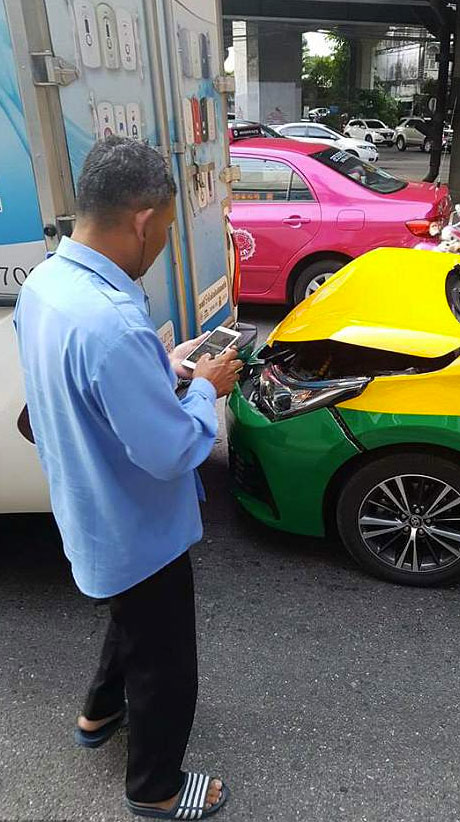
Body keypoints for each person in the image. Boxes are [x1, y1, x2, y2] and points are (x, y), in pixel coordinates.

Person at [13, 137, 240, 819]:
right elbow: (173, 452)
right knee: (165, 660)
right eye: (168, 227)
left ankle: (97, 716)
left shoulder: (48, 283)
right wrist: (206, 387)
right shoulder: (112, 321)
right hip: (138, 527)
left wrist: (160, 367)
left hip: (87, 508)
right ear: (143, 218)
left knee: (129, 622)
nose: (165, 240)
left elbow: (78, 387)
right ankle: (157, 788)